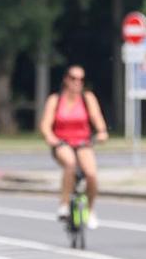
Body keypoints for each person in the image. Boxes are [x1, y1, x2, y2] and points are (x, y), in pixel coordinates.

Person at [39, 65, 109, 228]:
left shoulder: (87, 98)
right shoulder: (55, 99)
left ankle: (90, 210)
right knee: (70, 164)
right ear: (66, 80)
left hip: (83, 142)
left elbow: (97, 119)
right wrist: (50, 138)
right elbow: (45, 125)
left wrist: (102, 132)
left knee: (91, 174)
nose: (77, 82)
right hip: (62, 142)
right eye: (73, 78)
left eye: (81, 79)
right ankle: (63, 205)